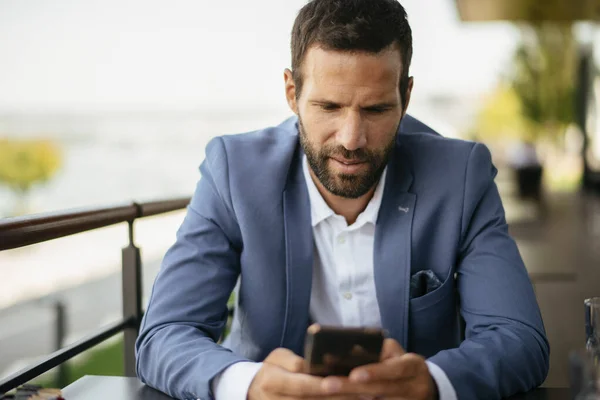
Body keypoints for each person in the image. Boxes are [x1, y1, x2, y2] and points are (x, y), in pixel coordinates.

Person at [135, 1, 550, 399]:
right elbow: (164, 335)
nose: (351, 139)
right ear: (291, 91)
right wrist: (248, 384)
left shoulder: (461, 178)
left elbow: (519, 340)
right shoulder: (234, 172)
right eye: (328, 107)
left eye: (375, 110)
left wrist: (432, 382)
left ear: (405, 96)